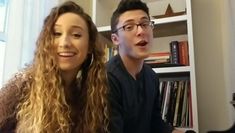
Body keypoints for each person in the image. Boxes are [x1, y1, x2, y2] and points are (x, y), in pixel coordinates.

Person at [0, 1, 109, 133]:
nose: (65, 43)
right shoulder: (22, 85)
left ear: (90, 46)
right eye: (57, 34)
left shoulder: (91, 96)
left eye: (76, 35)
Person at [106, 0, 184, 133]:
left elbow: (155, 123)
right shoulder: (106, 78)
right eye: (129, 27)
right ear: (115, 39)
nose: (141, 31)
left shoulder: (151, 76)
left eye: (144, 23)